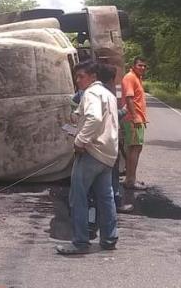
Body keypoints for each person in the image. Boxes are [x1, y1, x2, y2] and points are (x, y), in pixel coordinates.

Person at [56, 61, 119, 255]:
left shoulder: (91, 93)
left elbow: (95, 118)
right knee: (106, 198)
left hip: (91, 152)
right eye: (77, 76)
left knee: (78, 198)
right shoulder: (109, 94)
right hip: (108, 153)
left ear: (93, 77)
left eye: (81, 76)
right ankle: (109, 238)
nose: (78, 80)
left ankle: (80, 242)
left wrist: (80, 141)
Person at [96, 63, 133, 213]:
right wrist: (125, 109)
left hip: (93, 143)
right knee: (112, 175)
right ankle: (116, 204)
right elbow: (114, 116)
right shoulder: (108, 95)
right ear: (112, 79)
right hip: (108, 141)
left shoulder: (90, 92)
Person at [121, 57, 149, 190]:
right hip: (132, 119)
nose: (142, 68)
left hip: (137, 119)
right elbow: (129, 98)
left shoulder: (137, 78)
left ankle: (131, 178)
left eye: (144, 66)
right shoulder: (130, 77)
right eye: (140, 65)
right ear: (133, 65)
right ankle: (130, 181)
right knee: (134, 149)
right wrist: (135, 116)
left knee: (136, 148)